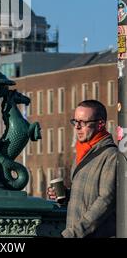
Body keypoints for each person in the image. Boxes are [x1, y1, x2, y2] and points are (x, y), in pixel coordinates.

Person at [47, 99, 117, 238]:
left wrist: (73, 233)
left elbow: (106, 201)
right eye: (75, 121)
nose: (77, 127)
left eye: (83, 123)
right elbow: (90, 196)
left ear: (100, 124)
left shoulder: (111, 156)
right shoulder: (82, 153)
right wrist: (66, 195)